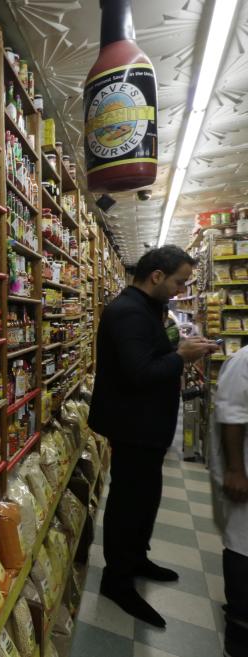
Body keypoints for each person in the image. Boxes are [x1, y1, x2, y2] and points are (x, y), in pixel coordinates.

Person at [88, 245, 218, 627]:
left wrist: (181, 349)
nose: (182, 288)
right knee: (129, 503)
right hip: (132, 428)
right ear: (157, 276)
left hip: (148, 428)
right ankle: (117, 580)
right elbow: (139, 372)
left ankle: (136, 558)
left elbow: (158, 351)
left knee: (146, 500)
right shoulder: (127, 312)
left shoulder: (151, 309)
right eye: (179, 281)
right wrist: (183, 357)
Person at [210, 346, 248, 657]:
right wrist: (236, 469)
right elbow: (230, 415)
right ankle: (238, 631)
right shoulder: (243, 360)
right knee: (241, 544)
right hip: (245, 475)